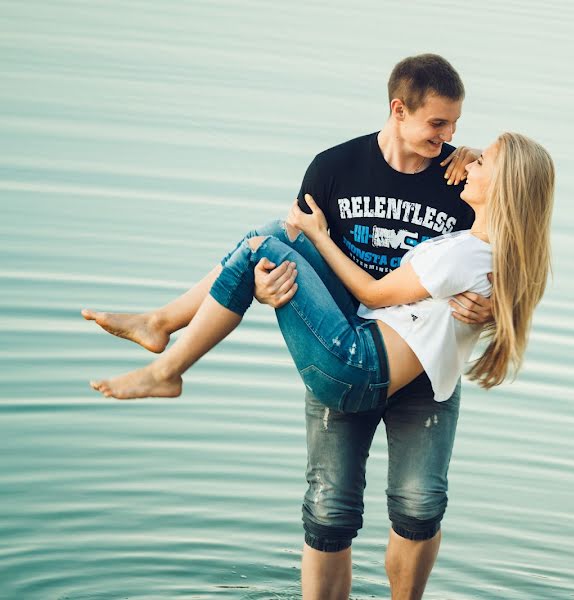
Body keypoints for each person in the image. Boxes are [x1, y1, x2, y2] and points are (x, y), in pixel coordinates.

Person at [82, 55, 518, 600]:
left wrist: (495, 307)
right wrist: (266, 289)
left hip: (420, 364)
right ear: (398, 110)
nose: (451, 137)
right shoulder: (333, 169)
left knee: (420, 504)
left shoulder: (462, 177)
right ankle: (162, 327)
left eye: (455, 124)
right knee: (331, 507)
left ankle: (164, 328)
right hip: (347, 334)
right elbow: (297, 258)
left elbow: (502, 255)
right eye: (438, 124)